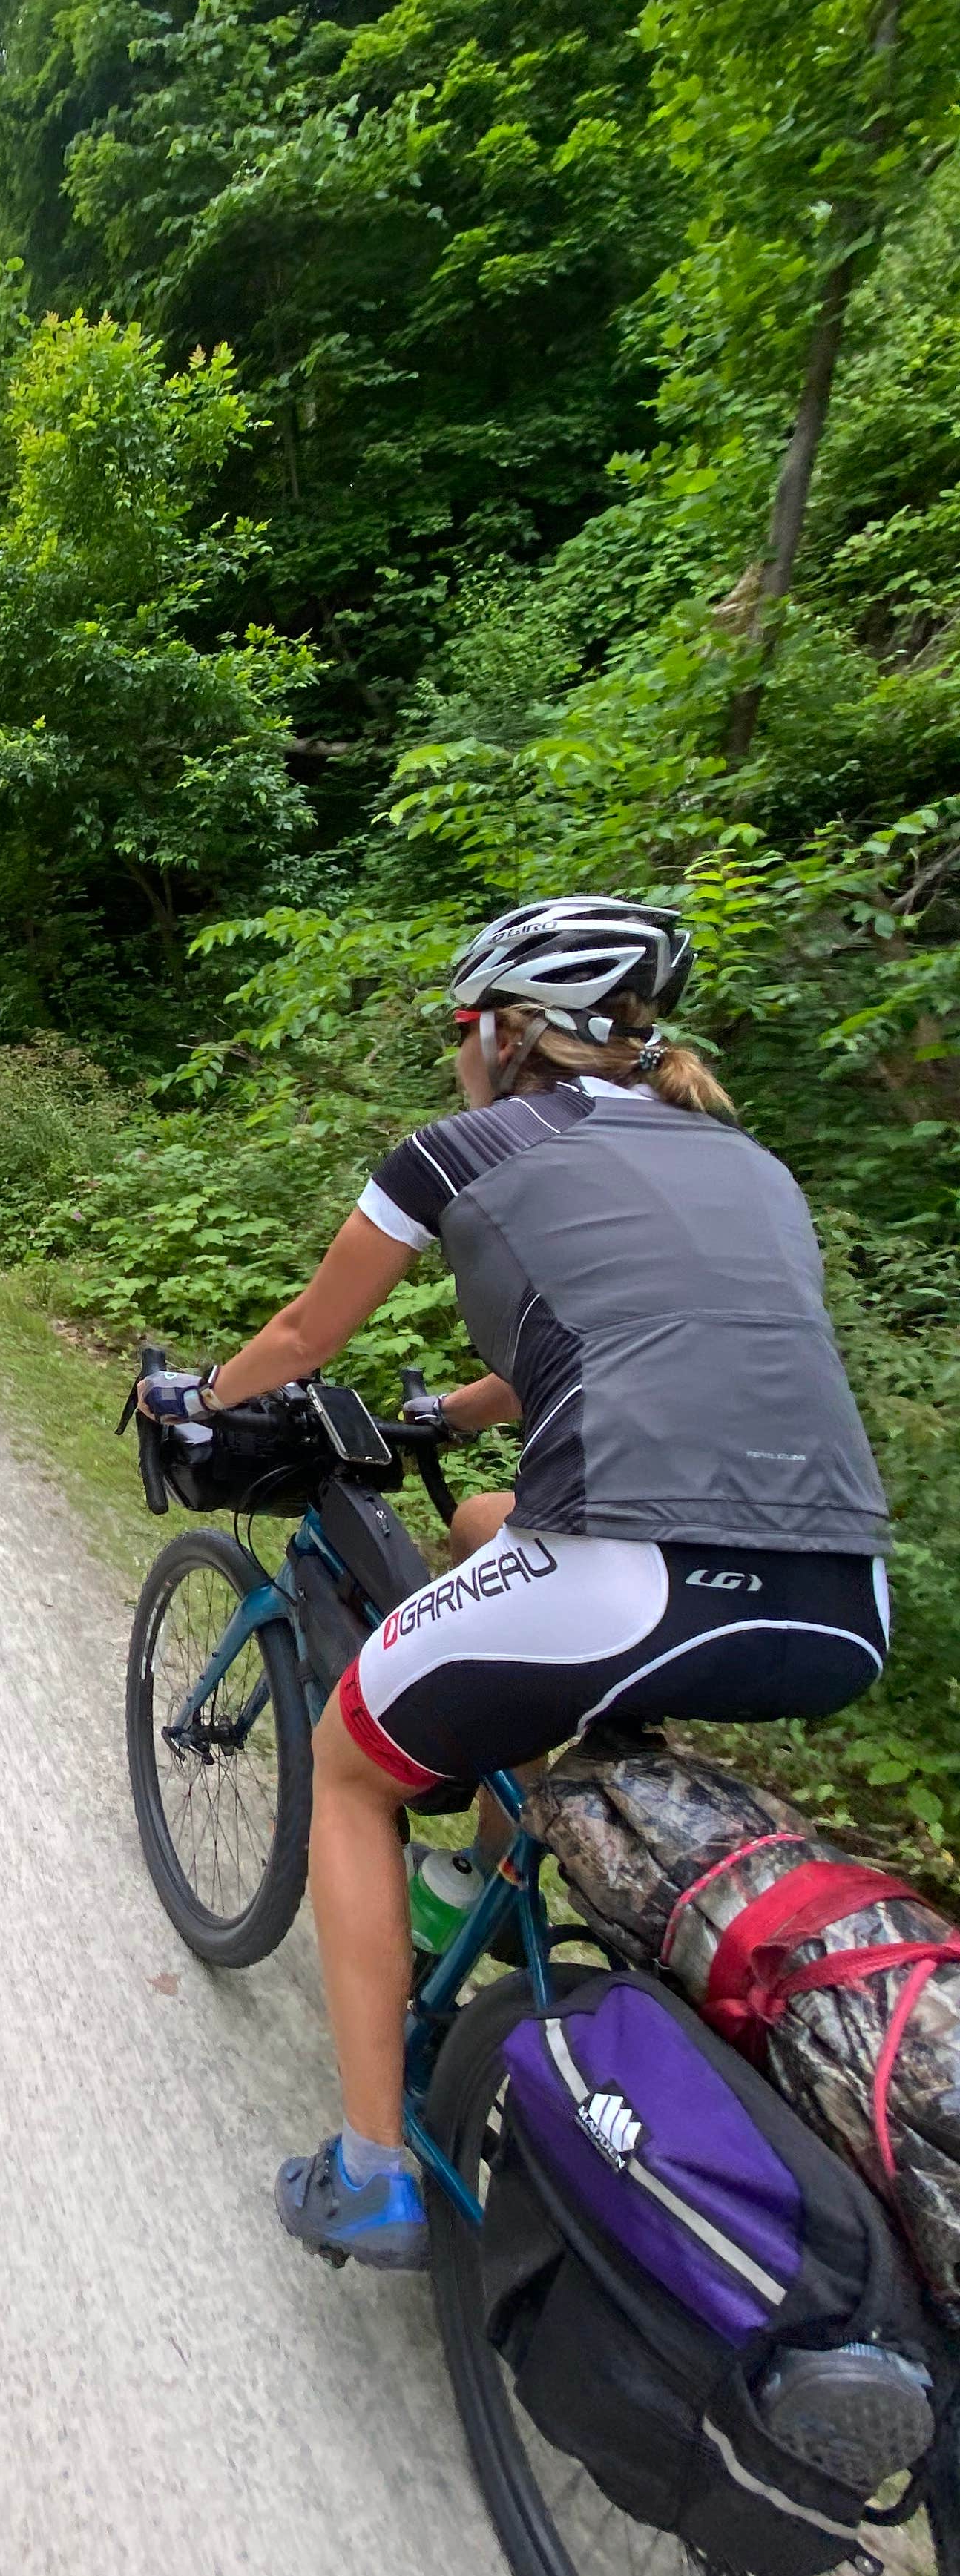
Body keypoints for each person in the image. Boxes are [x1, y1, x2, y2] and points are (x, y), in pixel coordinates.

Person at [142, 897, 892, 2270]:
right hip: (840, 1598)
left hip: (629, 1566)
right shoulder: (747, 1162)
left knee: (353, 1768)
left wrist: (202, 1393)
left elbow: (309, 1331)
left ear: (498, 1029)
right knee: (493, 1521)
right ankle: (487, 1862)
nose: (456, 1054)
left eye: (461, 1030)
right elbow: (661, 1334)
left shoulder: (456, 1148)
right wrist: (475, 1405)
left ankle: (373, 2172)